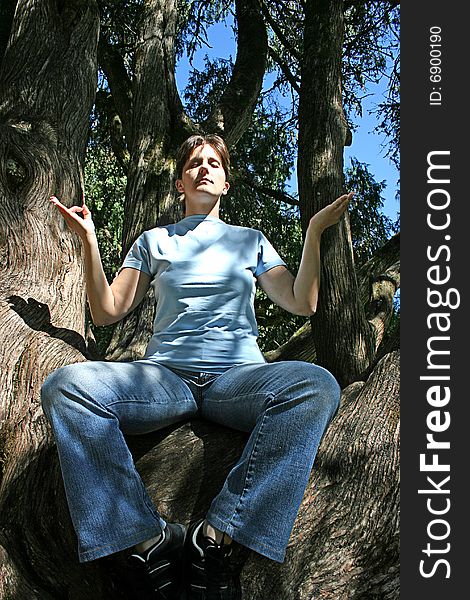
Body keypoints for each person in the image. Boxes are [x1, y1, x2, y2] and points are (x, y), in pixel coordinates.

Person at [41, 134, 352, 600]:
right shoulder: (155, 241)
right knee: (66, 387)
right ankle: (144, 539)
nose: (203, 168)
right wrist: (88, 241)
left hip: (238, 380)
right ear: (181, 182)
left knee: (316, 385)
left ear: (226, 183)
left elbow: (302, 302)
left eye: (213, 163)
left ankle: (218, 536)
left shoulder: (251, 241)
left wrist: (313, 232)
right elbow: (108, 311)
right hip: (165, 380)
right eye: (193, 164)